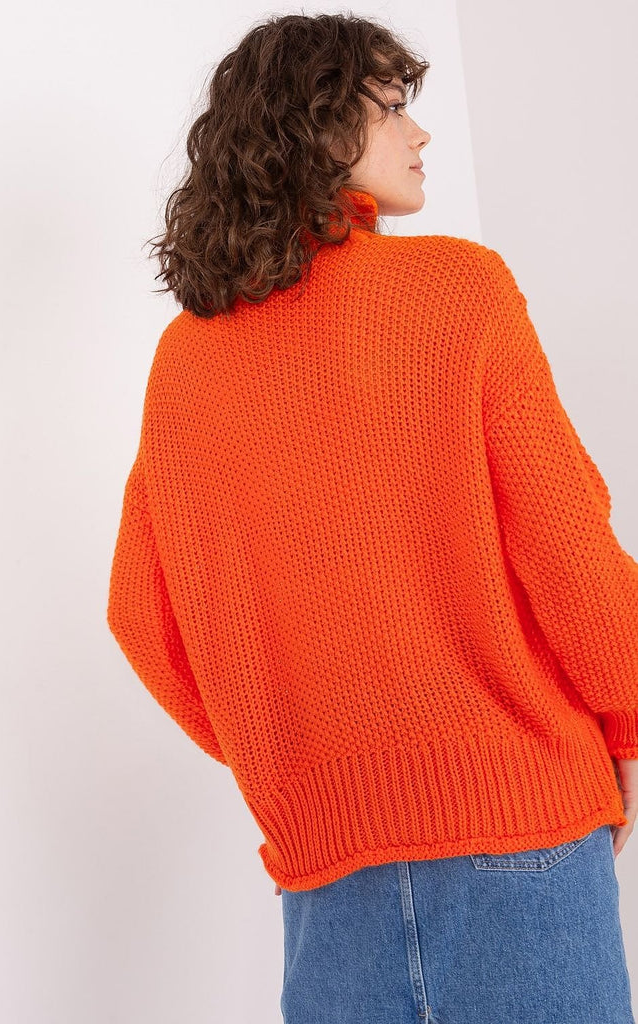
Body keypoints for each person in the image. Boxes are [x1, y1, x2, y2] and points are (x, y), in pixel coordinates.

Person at [106, 12, 638, 1023]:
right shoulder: (458, 291)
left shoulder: (187, 358)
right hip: (517, 830)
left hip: (326, 874)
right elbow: (566, 547)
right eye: (391, 107)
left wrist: (304, 758)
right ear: (312, 126)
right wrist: (627, 718)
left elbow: (143, 617)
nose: (418, 131)